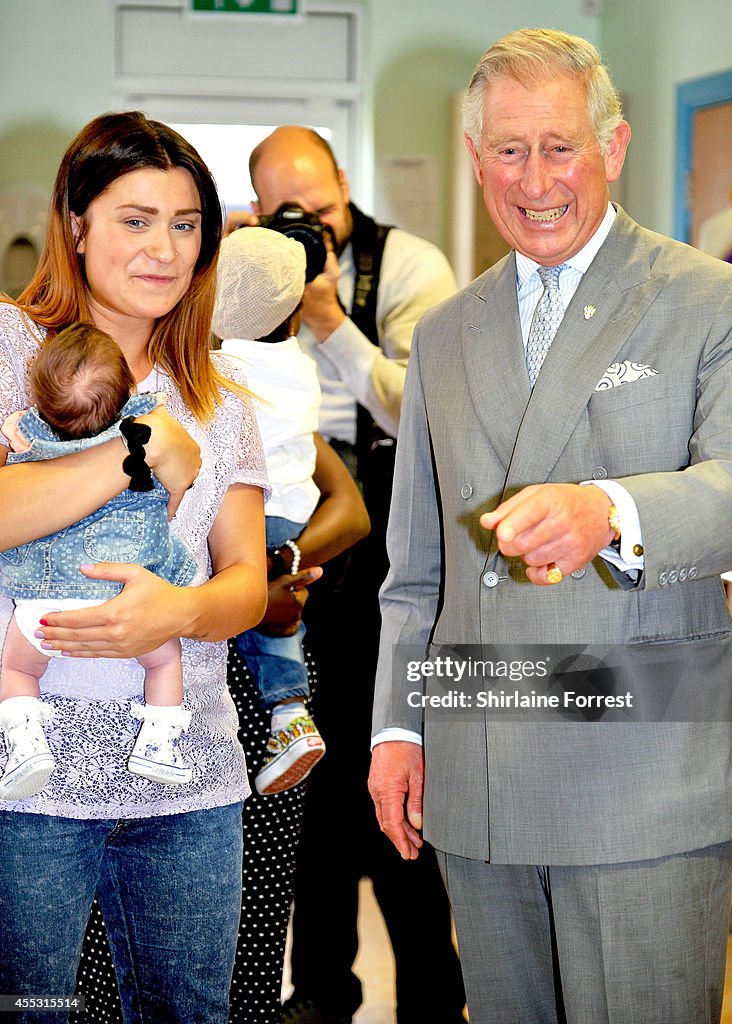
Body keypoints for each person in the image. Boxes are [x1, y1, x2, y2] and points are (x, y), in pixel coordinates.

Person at [368, 28, 732, 1024]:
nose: (535, 178)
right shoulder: (442, 333)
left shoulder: (711, 299)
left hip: (643, 765)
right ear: (476, 160)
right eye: (508, 151)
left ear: (615, 146)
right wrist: (397, 724)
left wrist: (612, 511)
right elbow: (414, 571)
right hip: (477, 765)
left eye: (560, 147)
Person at [0, 110, 269, 1024]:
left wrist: (177, 615)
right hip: (27, 777)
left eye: (186, 224)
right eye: (135, 219)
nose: (163, 248)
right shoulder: (9, 350)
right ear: (76, 222)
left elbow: (244, 585)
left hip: (186, 775)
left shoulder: (219, 399)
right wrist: (130, 459)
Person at [245, 127, 467, 1024]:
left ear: (347, 185)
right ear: (259, 210)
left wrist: (333, 326)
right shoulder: (246, 266)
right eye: (286, 213)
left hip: (396, 558)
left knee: (404, 784)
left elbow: (431, 410)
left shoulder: (411, 265)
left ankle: (432, 1001)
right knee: (315, 791)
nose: (310, 227)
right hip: (289, 554)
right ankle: (322, 992)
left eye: (324, 209)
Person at [0, 323, 198, 798]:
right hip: (127, 594)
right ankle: (161, 745)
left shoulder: (26, 428)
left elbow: (13, 435)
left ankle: (25, 745)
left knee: (17, 669)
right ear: (128, 386)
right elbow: (182, 476)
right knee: (164, 660)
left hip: (42, 604)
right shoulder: (148, 422)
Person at [213, 225, 326, 794]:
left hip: (249, 512)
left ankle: (286, 715)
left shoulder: (224, 369)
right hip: (294, 512)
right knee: (281, 616)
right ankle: (291, 712)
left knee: (259, 611)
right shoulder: (299, 365)